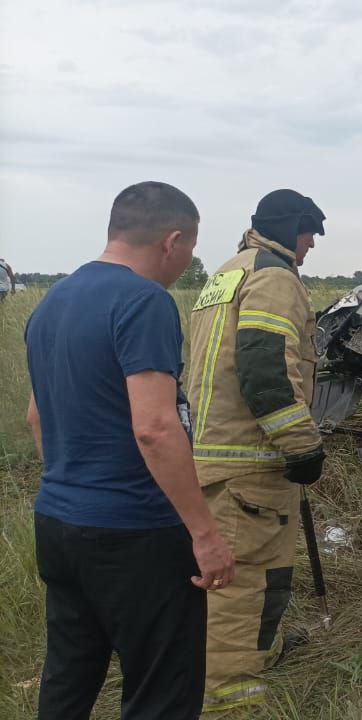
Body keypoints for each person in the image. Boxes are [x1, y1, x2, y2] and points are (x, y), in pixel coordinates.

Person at [24, 181, 235, 720]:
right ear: (174, 240)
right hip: (136, 531)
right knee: (161, 689)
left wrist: (77, 487)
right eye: (190, 248)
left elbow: (35, 415)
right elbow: (156, 428)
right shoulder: (144, 302)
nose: (187, 260)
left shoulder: (54, 301)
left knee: (70, 675)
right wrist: (205, 534)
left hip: (59, 522)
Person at [187, 189, 327, 711]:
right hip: (250, 460)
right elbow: (265, 368)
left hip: (216, 454)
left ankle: (259, 651)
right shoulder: (274, 277)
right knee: (242, 580)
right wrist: (302, 443)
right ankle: (228, 693)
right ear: (291, 227)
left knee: (261, 569)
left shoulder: (228, 272)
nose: (312, 242)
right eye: (310, 230)